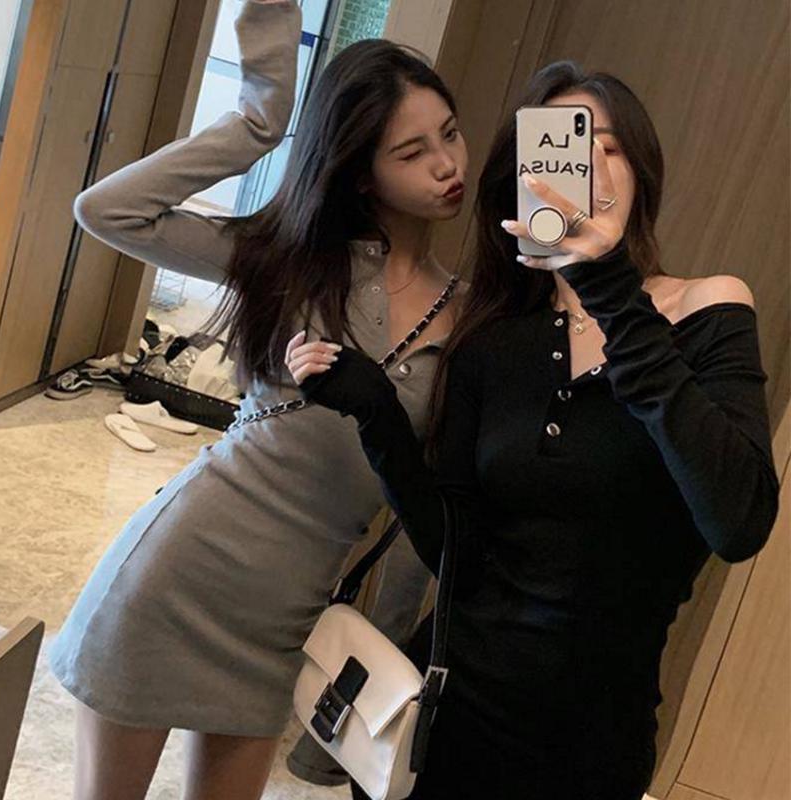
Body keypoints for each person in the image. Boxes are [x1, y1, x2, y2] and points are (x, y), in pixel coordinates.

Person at [291, 60, 780, 799]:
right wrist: (376, 412)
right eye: (560, 148)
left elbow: (738, 521)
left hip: (592, 746)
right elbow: (458, 554)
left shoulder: (709, 311)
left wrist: (609, 289)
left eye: (606, 145)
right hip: (447, 721)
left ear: (643, 169)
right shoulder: (492, 342)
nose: (586, 166)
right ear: (522, 180)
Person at [47, 1, 470, 797]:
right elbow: (107, 210)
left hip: (284, 618)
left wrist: (371, 688)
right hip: (175, 574)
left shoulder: (471, 320)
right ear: (361, 172)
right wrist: (257, 121)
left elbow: (426, 518)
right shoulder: (292, 261)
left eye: (450, 134)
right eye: (413, 151)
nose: (447, 164)